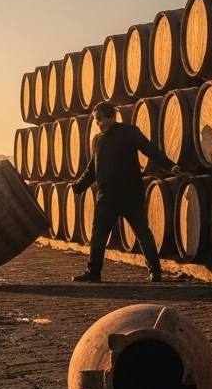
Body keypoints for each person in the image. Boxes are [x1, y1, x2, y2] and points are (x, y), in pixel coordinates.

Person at [71, 102, 173, 282]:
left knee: (142, 232)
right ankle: (94, 272)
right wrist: (79, 185)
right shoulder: (98, 140)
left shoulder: (130, 132)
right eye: (96, 120)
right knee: (99, 235)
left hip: (130, 194)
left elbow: (150, 150)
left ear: (110, 116)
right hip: (107, 196)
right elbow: (92, 169)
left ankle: (155, 271)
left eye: (99, 119)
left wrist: (171, 166)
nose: (97, 123)